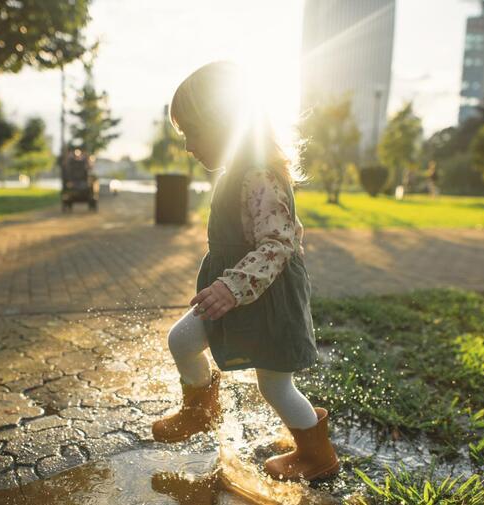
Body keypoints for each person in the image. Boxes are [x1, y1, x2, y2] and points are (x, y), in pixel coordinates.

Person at [151, 61, 339, 482]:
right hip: (233, 295)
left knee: (274, 386)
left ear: (225, 124)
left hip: (265, 300)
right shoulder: (234, 173)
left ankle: (315, 453)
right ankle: (200, 408)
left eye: (192, 133)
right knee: (181, 339)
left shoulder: (259, 176)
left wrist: (232, 286)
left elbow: (277, 245)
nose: (188, 147)